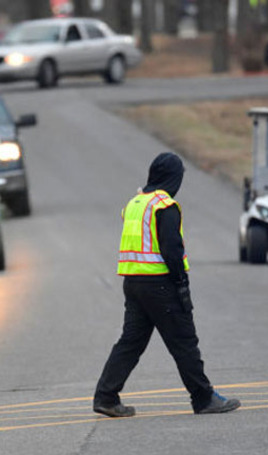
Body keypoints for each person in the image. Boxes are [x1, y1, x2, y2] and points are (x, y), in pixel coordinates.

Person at [92, 153, 240, 418]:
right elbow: (172, 249)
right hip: (160, 284)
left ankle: (106, 396)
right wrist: (180, 281)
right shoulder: (164, 205)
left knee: (131, 342)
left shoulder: (135, 202)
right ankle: (204, 398)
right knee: (184, 341)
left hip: (133, 283)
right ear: (173, 178)